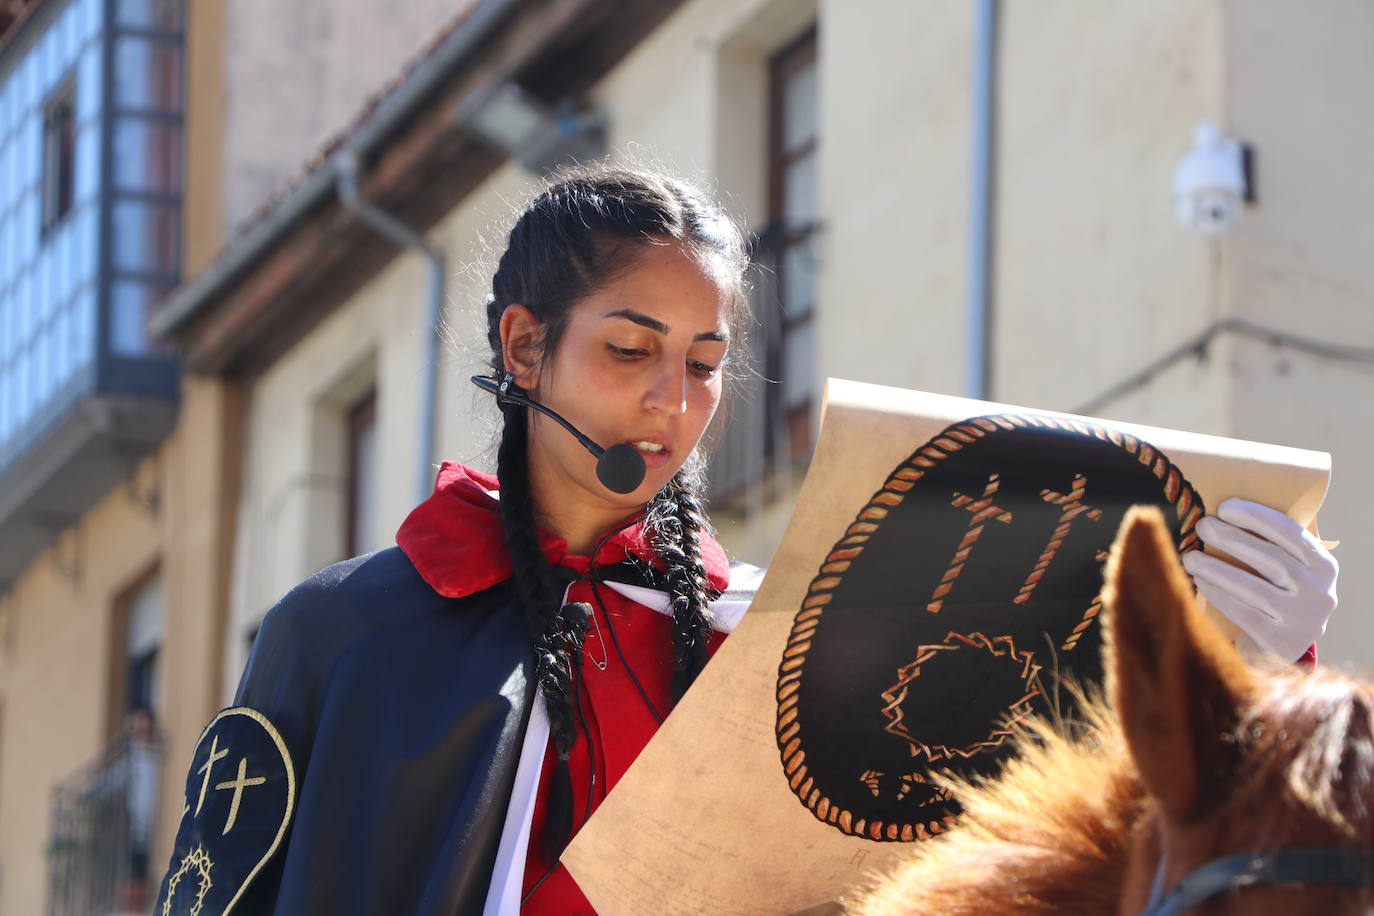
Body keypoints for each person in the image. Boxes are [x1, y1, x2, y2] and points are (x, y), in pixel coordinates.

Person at [153, 163, 1339, 916]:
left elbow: (1026, 844)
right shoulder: (351, 630)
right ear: (524, 349)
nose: (674, 401)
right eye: (630, 351)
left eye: (707, 366)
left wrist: (1237, 669)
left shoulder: (775, 633)